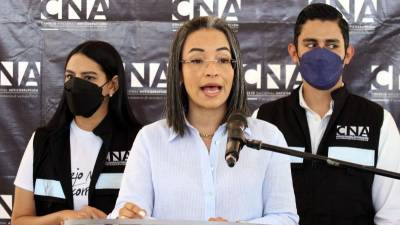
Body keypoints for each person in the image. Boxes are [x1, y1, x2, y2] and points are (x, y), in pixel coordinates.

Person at [109, 16, 299, 225]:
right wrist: (126, 217)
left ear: (235, 70)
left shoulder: (268, 137)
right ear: (179, 71)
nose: (211, 71)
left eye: (223, 60)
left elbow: (285, 218)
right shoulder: (150, 139)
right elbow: (126, 211)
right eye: (197, 60)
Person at [254, 3, 400, 225]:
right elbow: (249, 202)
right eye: (311, 44)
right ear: (294, 52)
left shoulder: (378, 122)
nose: (321, 54)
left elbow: (392, 215)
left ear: (348, 54)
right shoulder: (263, 119)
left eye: (331, 45)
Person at [11, 41, 142, 225]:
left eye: (88, 78)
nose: (76, 85)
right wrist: (62, 217)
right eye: (70, 76)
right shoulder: (42, 141)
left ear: (112, 85)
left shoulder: (139, 141)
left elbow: (148, 215)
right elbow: (19, 221)